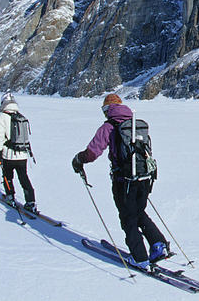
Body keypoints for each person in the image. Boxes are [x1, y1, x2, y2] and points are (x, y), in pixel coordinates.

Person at [72, 93, 169, 269]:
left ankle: (139, 257)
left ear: (107, 109)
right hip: (144, 178)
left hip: (124, 180)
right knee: (139, 212)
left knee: (128, 217)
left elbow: (93, 153)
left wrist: (79, 159)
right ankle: (158, 244)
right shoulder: (135, 125)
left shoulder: (109, 127)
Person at [0, 92, 36, 213]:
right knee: (24, 177)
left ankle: (10, 197)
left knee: (8, 177)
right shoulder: (20, 116)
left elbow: (0, 137)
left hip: (9, 155)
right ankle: (31, 201)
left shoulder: (2, 117)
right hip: (23, 155)